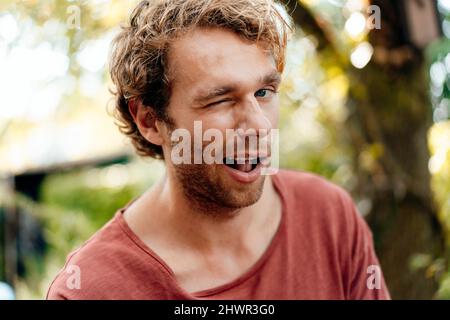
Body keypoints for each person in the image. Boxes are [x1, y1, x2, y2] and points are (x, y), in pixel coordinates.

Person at [47, 0, 390, 300]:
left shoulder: (328, 216)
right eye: (220, 100)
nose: (258, 126)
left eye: (263, 92)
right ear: (150, 121)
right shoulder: (89, 289)